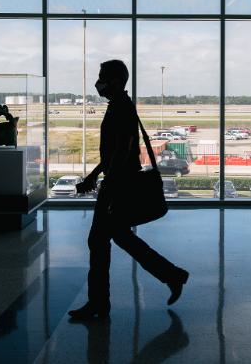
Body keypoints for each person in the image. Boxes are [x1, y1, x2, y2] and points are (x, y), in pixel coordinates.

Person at [68, 59, 189, 320]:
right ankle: (171, 275)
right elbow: (114, 152)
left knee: (99, 240)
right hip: (115, 182)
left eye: (102, 77)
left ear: (115, 81)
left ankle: (100, 302)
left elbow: (122, 153)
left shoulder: (121, 108)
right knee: (116, 237)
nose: (98, 82)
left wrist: (106, 182)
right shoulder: (119, 106)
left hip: (117, 185)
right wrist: (93, 176)